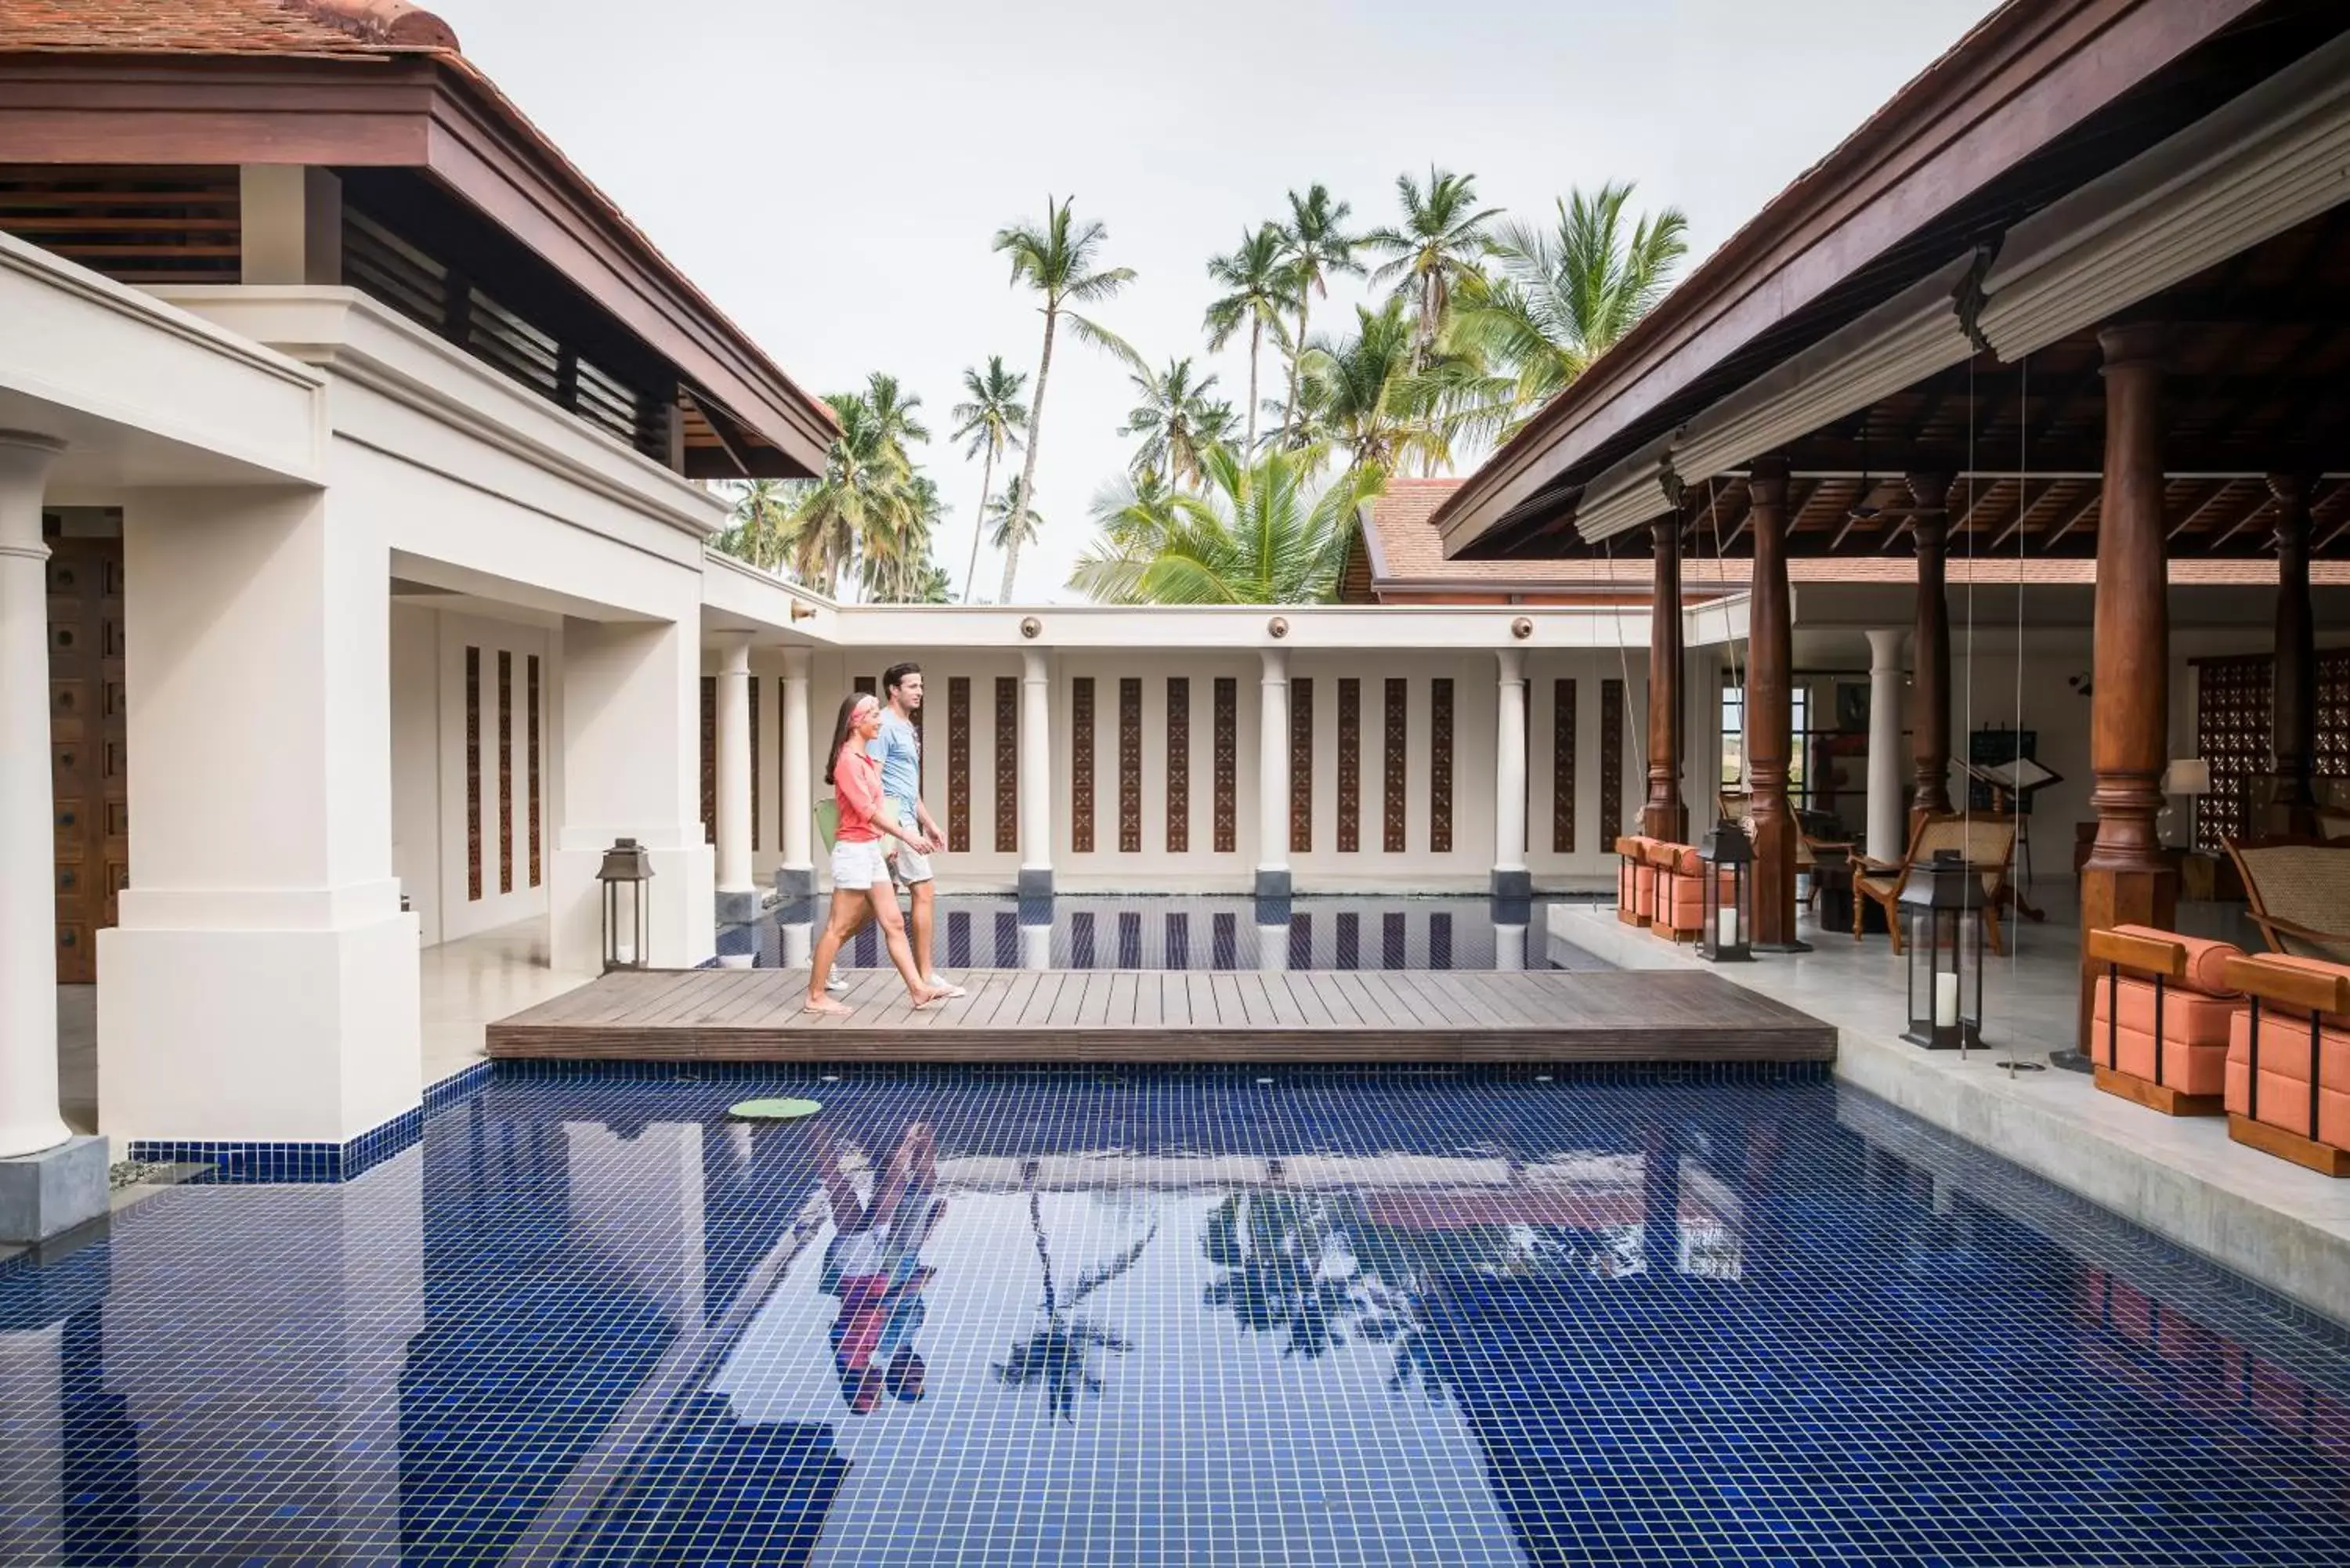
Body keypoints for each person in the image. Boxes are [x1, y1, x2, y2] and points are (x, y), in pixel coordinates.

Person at [806, 693, 949, 1014]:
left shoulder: (865, 761)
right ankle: (815, 996)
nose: (879, 720)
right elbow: (868, 811)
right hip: (853, 852)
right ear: (856, 722)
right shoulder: (847, 762)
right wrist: (907, 835)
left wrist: (888, 844)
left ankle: (918, 991)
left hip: (870, 849)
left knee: (894, 922)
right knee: (838, 927)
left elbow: (880, 809)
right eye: (872, 715)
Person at [815, 1120, 942, 1413]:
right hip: (872, 1267)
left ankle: (912, 1131)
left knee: (872, 1186)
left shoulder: (864, 1350)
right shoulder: (866, 1352)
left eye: (873, 1395)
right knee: (847, 1186)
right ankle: (818, 1123)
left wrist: (910, 1286)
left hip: (866, 1268)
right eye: (880, 1396)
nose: (878, 1388)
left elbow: (870, 1307)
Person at [870, 663, 963, 999]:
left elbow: (910, 786)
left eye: (921, 686)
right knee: (923, 890)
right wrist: (893, 833)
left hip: (907, 816)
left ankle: (823, 956)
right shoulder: (882, 726)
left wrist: (931, 823)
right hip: (893, 819)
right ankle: (925, 975)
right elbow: (874, 782)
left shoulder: (908, 727)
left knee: (868, 903)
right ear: (894, 689)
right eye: (912, 686)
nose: (919, 691)